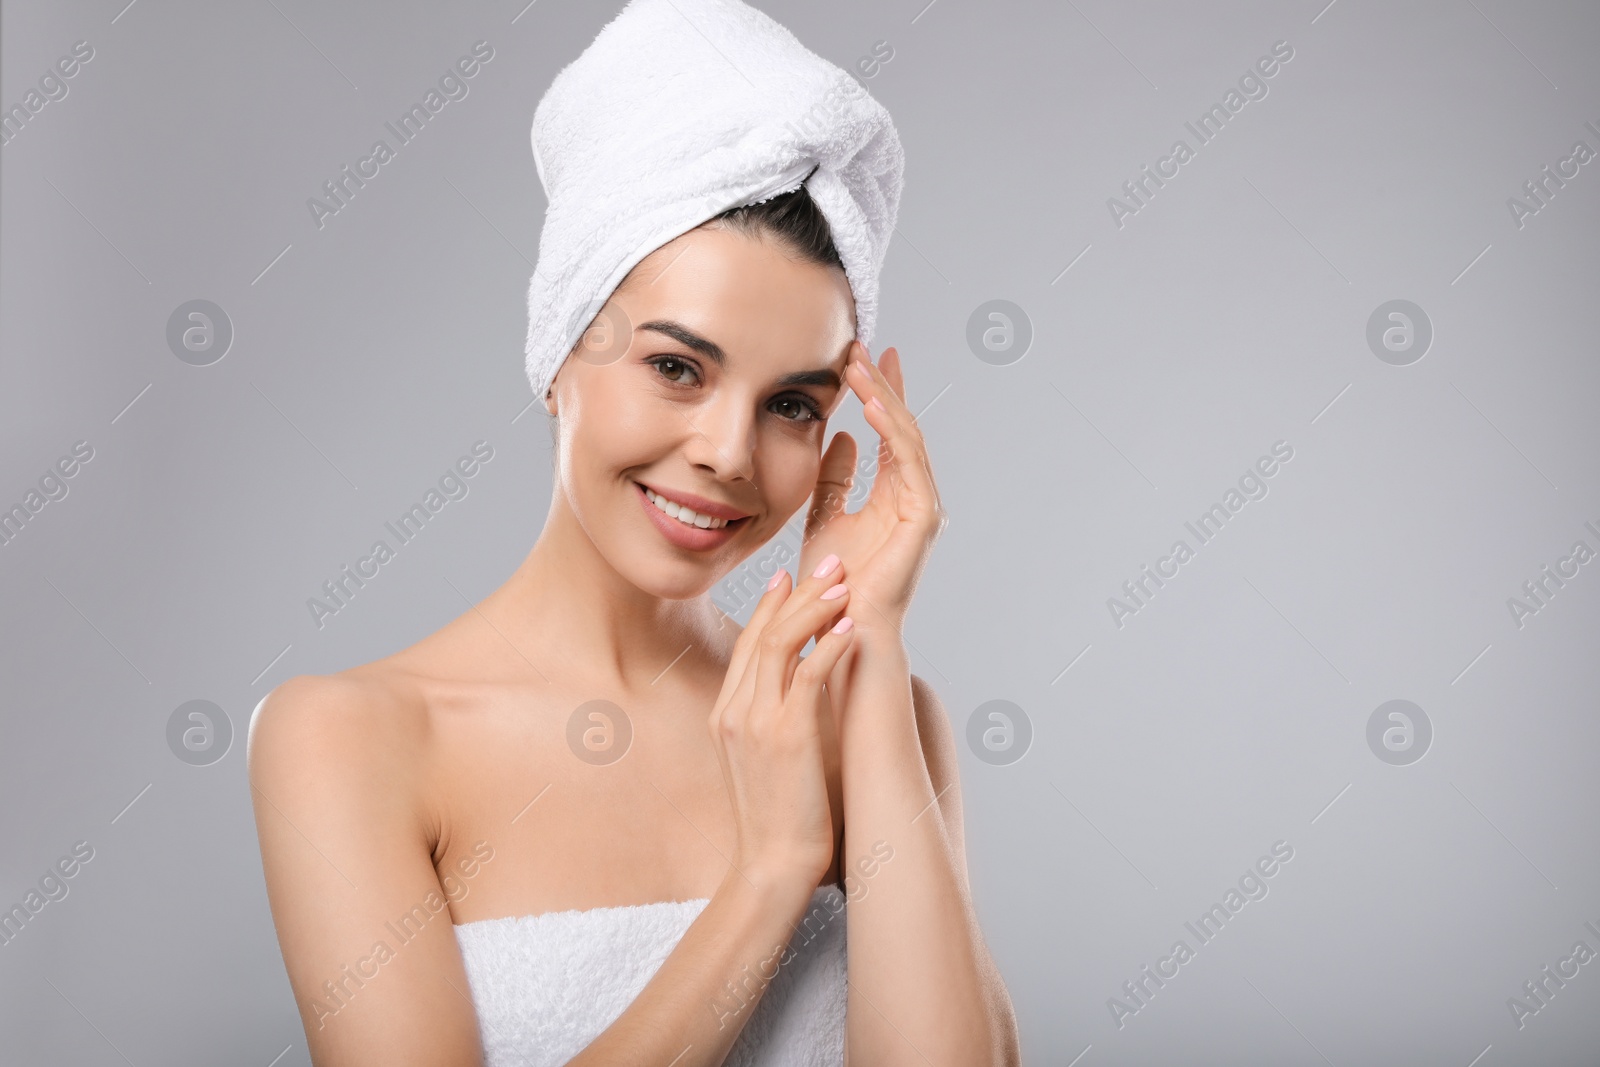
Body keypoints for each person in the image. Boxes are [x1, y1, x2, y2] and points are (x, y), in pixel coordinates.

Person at [249, 2, 1020, 1065]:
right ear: (561, 354)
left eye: (792, 402)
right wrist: (771, 872)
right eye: (676, 367)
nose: (729, 453)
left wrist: (869, 648)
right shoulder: (349, 737)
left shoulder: (878, 722)